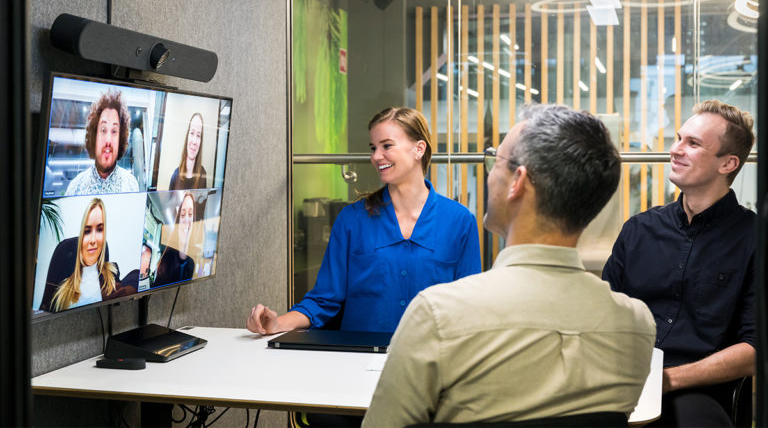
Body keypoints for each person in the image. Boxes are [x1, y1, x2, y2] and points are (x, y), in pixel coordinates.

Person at [363, 104, 656, 427]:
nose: (490, 174)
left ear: (518, 181)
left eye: (495, 162)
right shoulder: (636, 327)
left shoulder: (438, 316)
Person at [247, 107, 481, 335]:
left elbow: (468, 308)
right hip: (359, 361)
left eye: (387, 146)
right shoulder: (351, 221)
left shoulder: (460, 222)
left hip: (431, 364)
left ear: (419, 149)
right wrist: (277, 324)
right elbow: (324, 300)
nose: (376, 156)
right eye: (373, 148)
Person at [602, 100, 756, 427]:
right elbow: (604, 317)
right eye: (678, 138)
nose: (676, 150)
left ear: (728, 163)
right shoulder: (638, 230)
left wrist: (667, 379)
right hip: (625, 382)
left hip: (701, 391)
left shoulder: (754, 239)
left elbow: (754, 350)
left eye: (693, 143)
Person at [39, 198, 137, 311]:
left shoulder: (110, 273)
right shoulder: (63, 286)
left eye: (100, 229)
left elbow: (136, 275)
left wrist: (129, 290)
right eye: (87, 231)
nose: (93, 240)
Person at [65, 90, 139, 195]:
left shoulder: (131, 185)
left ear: (121, 139)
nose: (108, 140)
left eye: (114, 131)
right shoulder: (75, 187)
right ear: (94, 136)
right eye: (103, 130)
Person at [151, 191, 198, 287]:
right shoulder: (165, 261)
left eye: (190, 214)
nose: (186, 220)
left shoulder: (193, 263)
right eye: (182, 214)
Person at [169, 113, 207, 190]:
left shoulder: (202, 174)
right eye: (192, 133)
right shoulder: (175, 176)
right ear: (187, 137)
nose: (194, 141)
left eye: (198, 135)